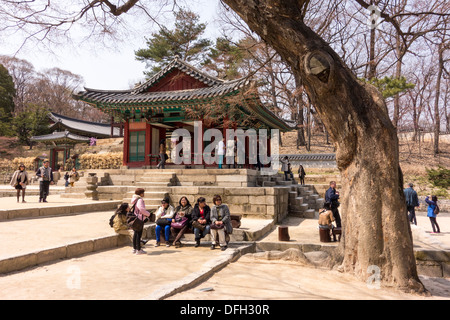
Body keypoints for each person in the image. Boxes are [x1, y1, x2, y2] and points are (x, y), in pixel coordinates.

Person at [130, 188, 151, 254]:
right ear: (141, 193)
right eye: (143, 192)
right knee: (139, 234)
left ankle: (134, 248)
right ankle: (138, 250)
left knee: (135, 234)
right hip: (139, 219)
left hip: (136, 218)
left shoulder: (135, 199)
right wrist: (148, 214)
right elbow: (142, 209)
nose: (143, 194)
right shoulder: (140, 200)